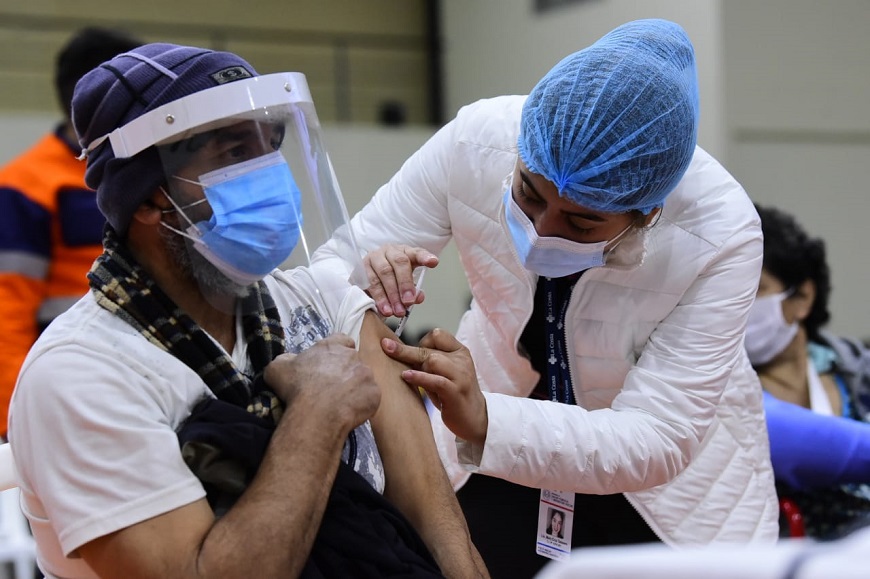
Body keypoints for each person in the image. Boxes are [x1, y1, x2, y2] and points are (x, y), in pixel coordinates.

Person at [312, 18, 778, 577]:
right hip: (494, 430)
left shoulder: (719, 232)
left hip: (671, 495)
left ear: (649, 212)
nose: (540, 232)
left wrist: (486, 419)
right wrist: (370, 273)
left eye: (581, 224)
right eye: (527, 194)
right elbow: (328, 276)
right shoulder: (476, 141)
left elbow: (659, 435)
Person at [6, 43, 487, 579]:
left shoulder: (326, 300)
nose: (270, 176)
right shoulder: (81, 374)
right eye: (236, 153)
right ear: (147, 198)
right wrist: (317, 414)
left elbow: (437, 522)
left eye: (271, 146)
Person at [0, 27, 142, 438]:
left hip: (141, 382)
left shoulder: (143, 173)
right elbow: (5, 314)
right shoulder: (24, 187)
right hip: (65, 396)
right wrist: (21, 422)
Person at [746, 203, 870, 540]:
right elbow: (771, 432)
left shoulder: (859, 370)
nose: (736, 305)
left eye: (753, 289)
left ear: (802, 296)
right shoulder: (719, 384)